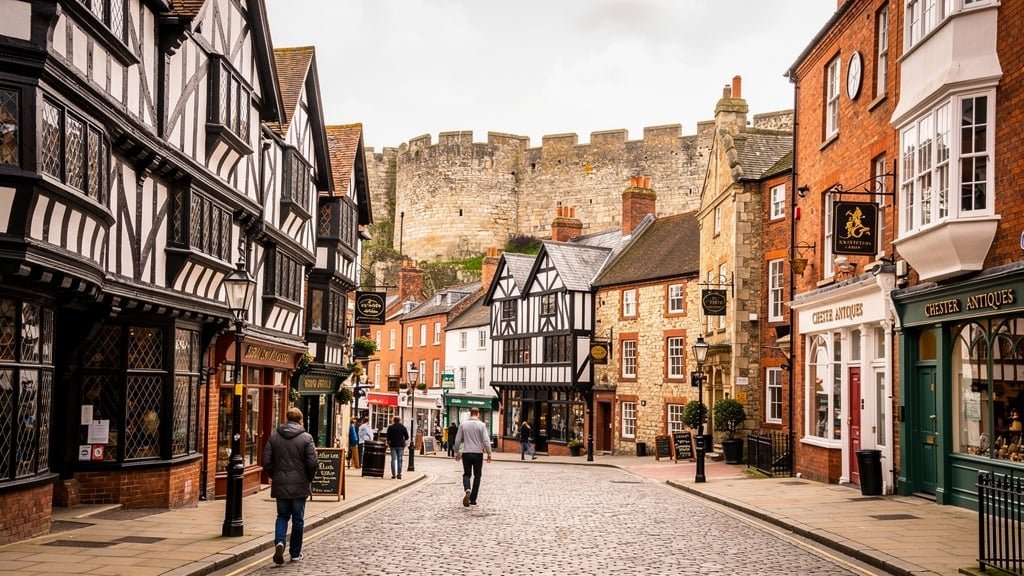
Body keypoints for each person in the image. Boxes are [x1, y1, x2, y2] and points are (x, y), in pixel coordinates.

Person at [262, 407, 317, 565]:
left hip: (281, 484)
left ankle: (280, 542)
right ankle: (295, 554)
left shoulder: (274, 438)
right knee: (298, 520)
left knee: (282, 516)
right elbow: (312, 462)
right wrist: (308, 477)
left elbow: (266, 461)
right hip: (300, 485)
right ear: (300, 420)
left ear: (287, 419)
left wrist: (275, 476)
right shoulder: (307, 438)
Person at [453, 407, 492, 507]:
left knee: (467, 474)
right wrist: (489, 453)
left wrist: (457, 452)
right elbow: (486, 441)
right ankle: (473, 499)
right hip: (478, 453)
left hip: (466, 453)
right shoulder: (482, 425)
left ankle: (467, 489)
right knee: (477, 475)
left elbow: (458, 440)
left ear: (470, 413)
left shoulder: (463, 425)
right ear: (478, 414)